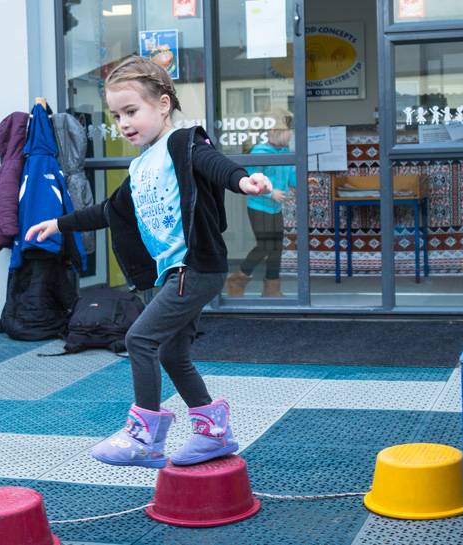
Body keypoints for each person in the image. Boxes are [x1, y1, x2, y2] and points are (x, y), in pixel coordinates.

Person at [25, 56, 272, 468]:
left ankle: (145, 438)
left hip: (195, 268)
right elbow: (109, 211)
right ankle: (214, 433)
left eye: (131, 111)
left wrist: (242, 180)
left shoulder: (182, 142)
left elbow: (212, 164)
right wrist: (58, 223)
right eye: (116, 115)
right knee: (173, 355)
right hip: (173, 273)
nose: (123, 122)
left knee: (139, 339)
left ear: (162, 104)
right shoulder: (141, 166)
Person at [225, 109, 295, 298]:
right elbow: (252, 182)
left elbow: (292, 178)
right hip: (259, 206)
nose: (291, 134)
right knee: (265, 245)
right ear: (276, 132)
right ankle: (237, 279)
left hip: (276, 208)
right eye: (289, 130)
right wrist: (271, 193)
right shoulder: (260, 151)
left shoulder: (286, 152)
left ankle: (272, 288)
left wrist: (302, 182)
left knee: (277, 247)